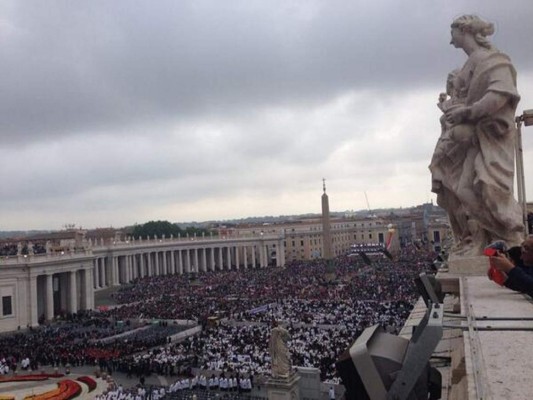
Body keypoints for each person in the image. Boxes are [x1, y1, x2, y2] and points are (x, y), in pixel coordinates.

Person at [431, 14, 524, 256]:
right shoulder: (471, 63)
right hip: (471, 140)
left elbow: (499, 95)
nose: (451, 41)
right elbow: (462, 99)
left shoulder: (494, 61)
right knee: (464, 190)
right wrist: (454, 111)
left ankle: (507, 235)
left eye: (453, 34)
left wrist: (467, 113)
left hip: (489, 137)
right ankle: (483, 235)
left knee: (487, 188)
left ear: (464, 30)